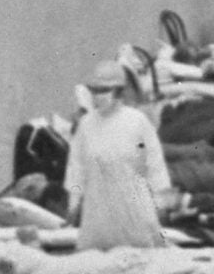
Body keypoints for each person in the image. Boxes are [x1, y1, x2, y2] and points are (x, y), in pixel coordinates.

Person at [66, 60, 173, 250]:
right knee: (97, 257)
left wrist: (161, 201)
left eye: (104, 90)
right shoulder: (86, 125)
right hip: (98, 212)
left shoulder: (136, 121)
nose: (97, 96)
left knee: (143, 254)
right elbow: (76, 168)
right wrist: (73, 203)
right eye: (94, 90)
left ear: (119, 91)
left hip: (135, 209)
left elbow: (154, 163)